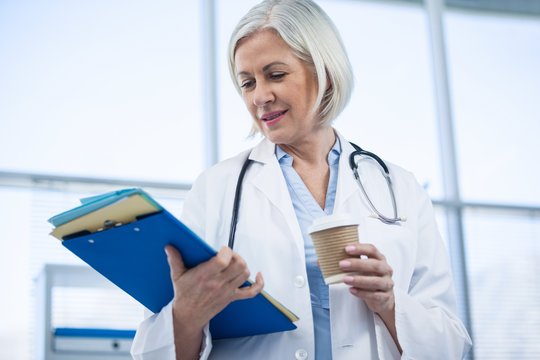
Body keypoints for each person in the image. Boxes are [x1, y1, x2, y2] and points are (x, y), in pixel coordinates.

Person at [131, 0, 472, 359]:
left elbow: (450, 345)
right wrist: (187, 314)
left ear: (323, 71)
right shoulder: (216, 189)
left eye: (275, 74)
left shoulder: (398, 189)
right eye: (247, 83)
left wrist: (389, 303)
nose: (260, 96)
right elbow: (153, 352)